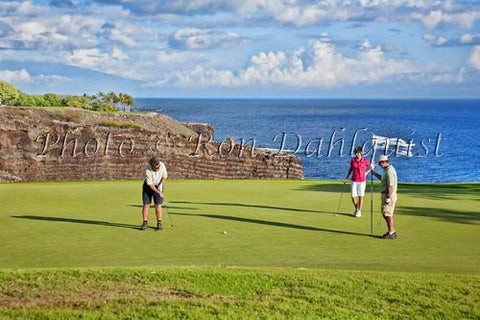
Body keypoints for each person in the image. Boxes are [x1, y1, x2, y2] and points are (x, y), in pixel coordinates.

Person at [371, 155, 398, 239]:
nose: (379, 165)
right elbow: (382, 179)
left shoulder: (390, 171)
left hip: (389, 194)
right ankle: (391, 231)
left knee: (387, 214)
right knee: (385, 213)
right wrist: (374, 173)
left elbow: (390, 186)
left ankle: (392, 232)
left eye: (380, 163)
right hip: (386, 194)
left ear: (384, 162)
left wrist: (388, 197)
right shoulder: (387, 170)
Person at [141, 156, 168, 231]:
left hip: (159, 185)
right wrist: (158, 192)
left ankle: (159, 223)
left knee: (158, 205)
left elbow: (164, 176)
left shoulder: (162, 165)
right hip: (148, 187)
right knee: (146, 204)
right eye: (156, 168)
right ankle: (145, 223)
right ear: (152, 166)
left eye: (158, 166)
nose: (158, 168)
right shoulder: (148, 169)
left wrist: (161, 185)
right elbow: (150, 184)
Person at [343, 146, 371, 217]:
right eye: (356, 153)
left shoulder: (365, 161)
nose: (357, 154)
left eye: (358, 153)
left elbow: (371, 166)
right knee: (353, 196)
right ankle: (357, 208)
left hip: (362, 181)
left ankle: (359, 211)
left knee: (361, 196)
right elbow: (351, 169)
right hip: (354, 180)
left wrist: (367, 172)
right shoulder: (353, 160)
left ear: (361, 153)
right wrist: (346, 177)